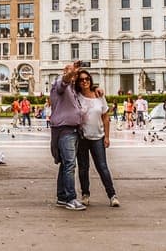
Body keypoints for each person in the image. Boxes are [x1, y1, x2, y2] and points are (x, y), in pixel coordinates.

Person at [75, 69, 120, 207]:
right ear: (78, 82)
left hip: (98, 137)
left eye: (87, 79)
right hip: (82, 137)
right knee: (83, 168)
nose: (84, 81)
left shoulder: (99, 95)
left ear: (90, 80)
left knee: (102, 167)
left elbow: (105, 117)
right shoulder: (76, 96)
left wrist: (107, 136)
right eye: (81, 79)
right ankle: (85, 195)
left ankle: (112, 195)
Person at [49, 60, 86, 210]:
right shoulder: (60, 84)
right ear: (65, 71)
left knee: (65, 164)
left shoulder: (71, 89)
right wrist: (71, 71)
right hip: (65, 130)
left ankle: (62, 197)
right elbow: (64, 81)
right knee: (70, 164)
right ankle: (71, 198)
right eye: (72, 72)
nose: (75, 75)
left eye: (76, 73)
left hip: (72, 130)